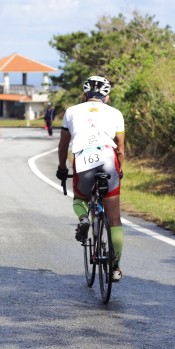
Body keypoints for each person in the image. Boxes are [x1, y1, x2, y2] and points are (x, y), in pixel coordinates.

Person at [56, 76, 125, 282]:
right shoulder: (115, 113)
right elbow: (120, 149)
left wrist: (62, 168)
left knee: (80, 198)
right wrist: (120, 171)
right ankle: (115, 267)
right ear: (107, 97)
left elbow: (63, 145)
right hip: (108, 157)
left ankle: (84, 219)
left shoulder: (71, 111)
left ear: (85, 96)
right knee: (114, 219)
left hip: (83, 156)